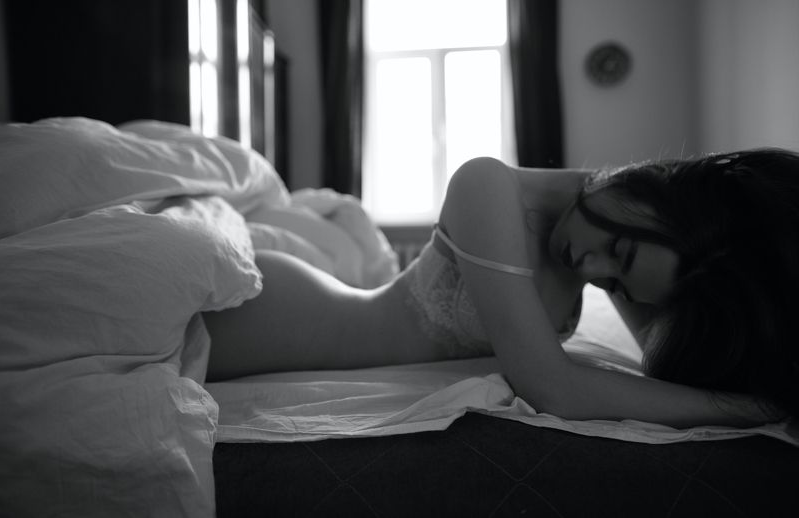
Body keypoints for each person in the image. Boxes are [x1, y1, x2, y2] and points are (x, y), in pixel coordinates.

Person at [203, 148, 799, 429]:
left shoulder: (619, 235)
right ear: (660, 190)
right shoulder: (487, 187)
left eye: (616, 283)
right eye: (618, 252)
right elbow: (552, 387)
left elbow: (658, 369)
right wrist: (751, 409)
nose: (592, 267)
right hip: (281, 318)